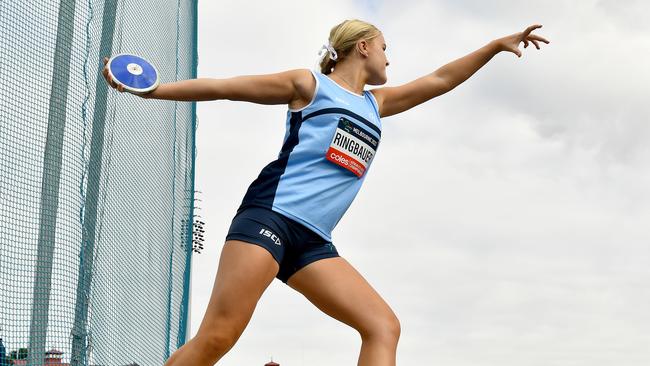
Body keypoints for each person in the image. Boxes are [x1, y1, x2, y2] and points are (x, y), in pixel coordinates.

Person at [103, 18, 549, 366]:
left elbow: (441, 79)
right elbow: (226, 87)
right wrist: (155, 90)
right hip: (269, 218)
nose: (389, 61)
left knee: (382, 326)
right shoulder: (309, 86)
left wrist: (493, 47)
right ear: (364, 47)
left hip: (314, 241)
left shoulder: (378, 103)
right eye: (386, 49)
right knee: (219, 336)